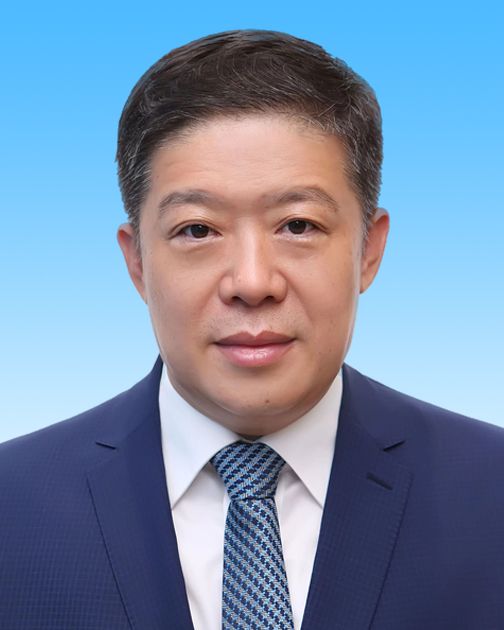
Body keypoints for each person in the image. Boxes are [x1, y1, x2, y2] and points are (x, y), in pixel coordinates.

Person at [1, 29, 503, 630]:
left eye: (298, 225)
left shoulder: (490, 491)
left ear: (369, 250)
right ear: (137, 262)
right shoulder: (13, 504)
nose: (252, 281)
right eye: (197, 230)